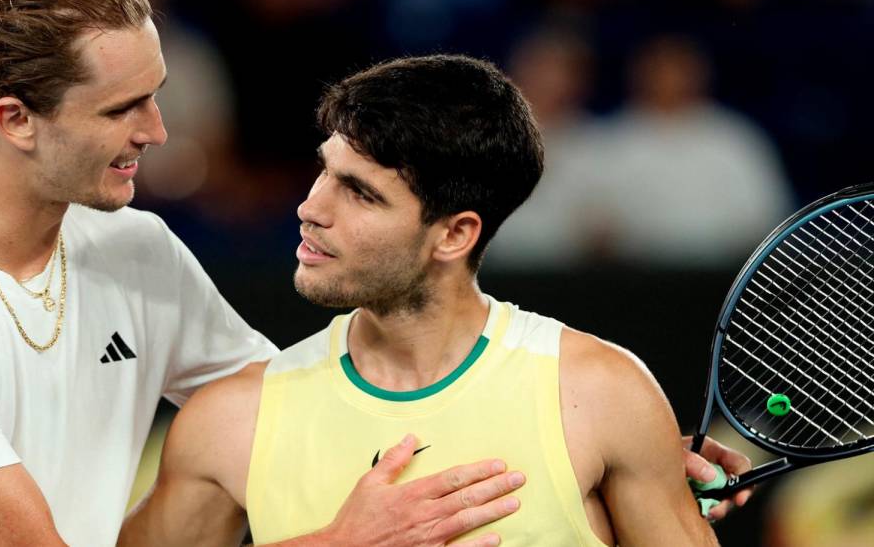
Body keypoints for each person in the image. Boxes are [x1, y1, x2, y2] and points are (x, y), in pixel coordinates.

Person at [0, 0, 750, 547]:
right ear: (16, 118)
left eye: (157, 91)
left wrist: (626, 450)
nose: (160, 131)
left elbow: (306, 408)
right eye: (125, 106)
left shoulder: (137, 250)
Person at [118, 55, 753, 547]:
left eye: (360, 193)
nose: (311, 208)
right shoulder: (230, 422)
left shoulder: (601, 396)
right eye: (324, 170)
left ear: (455, 234)